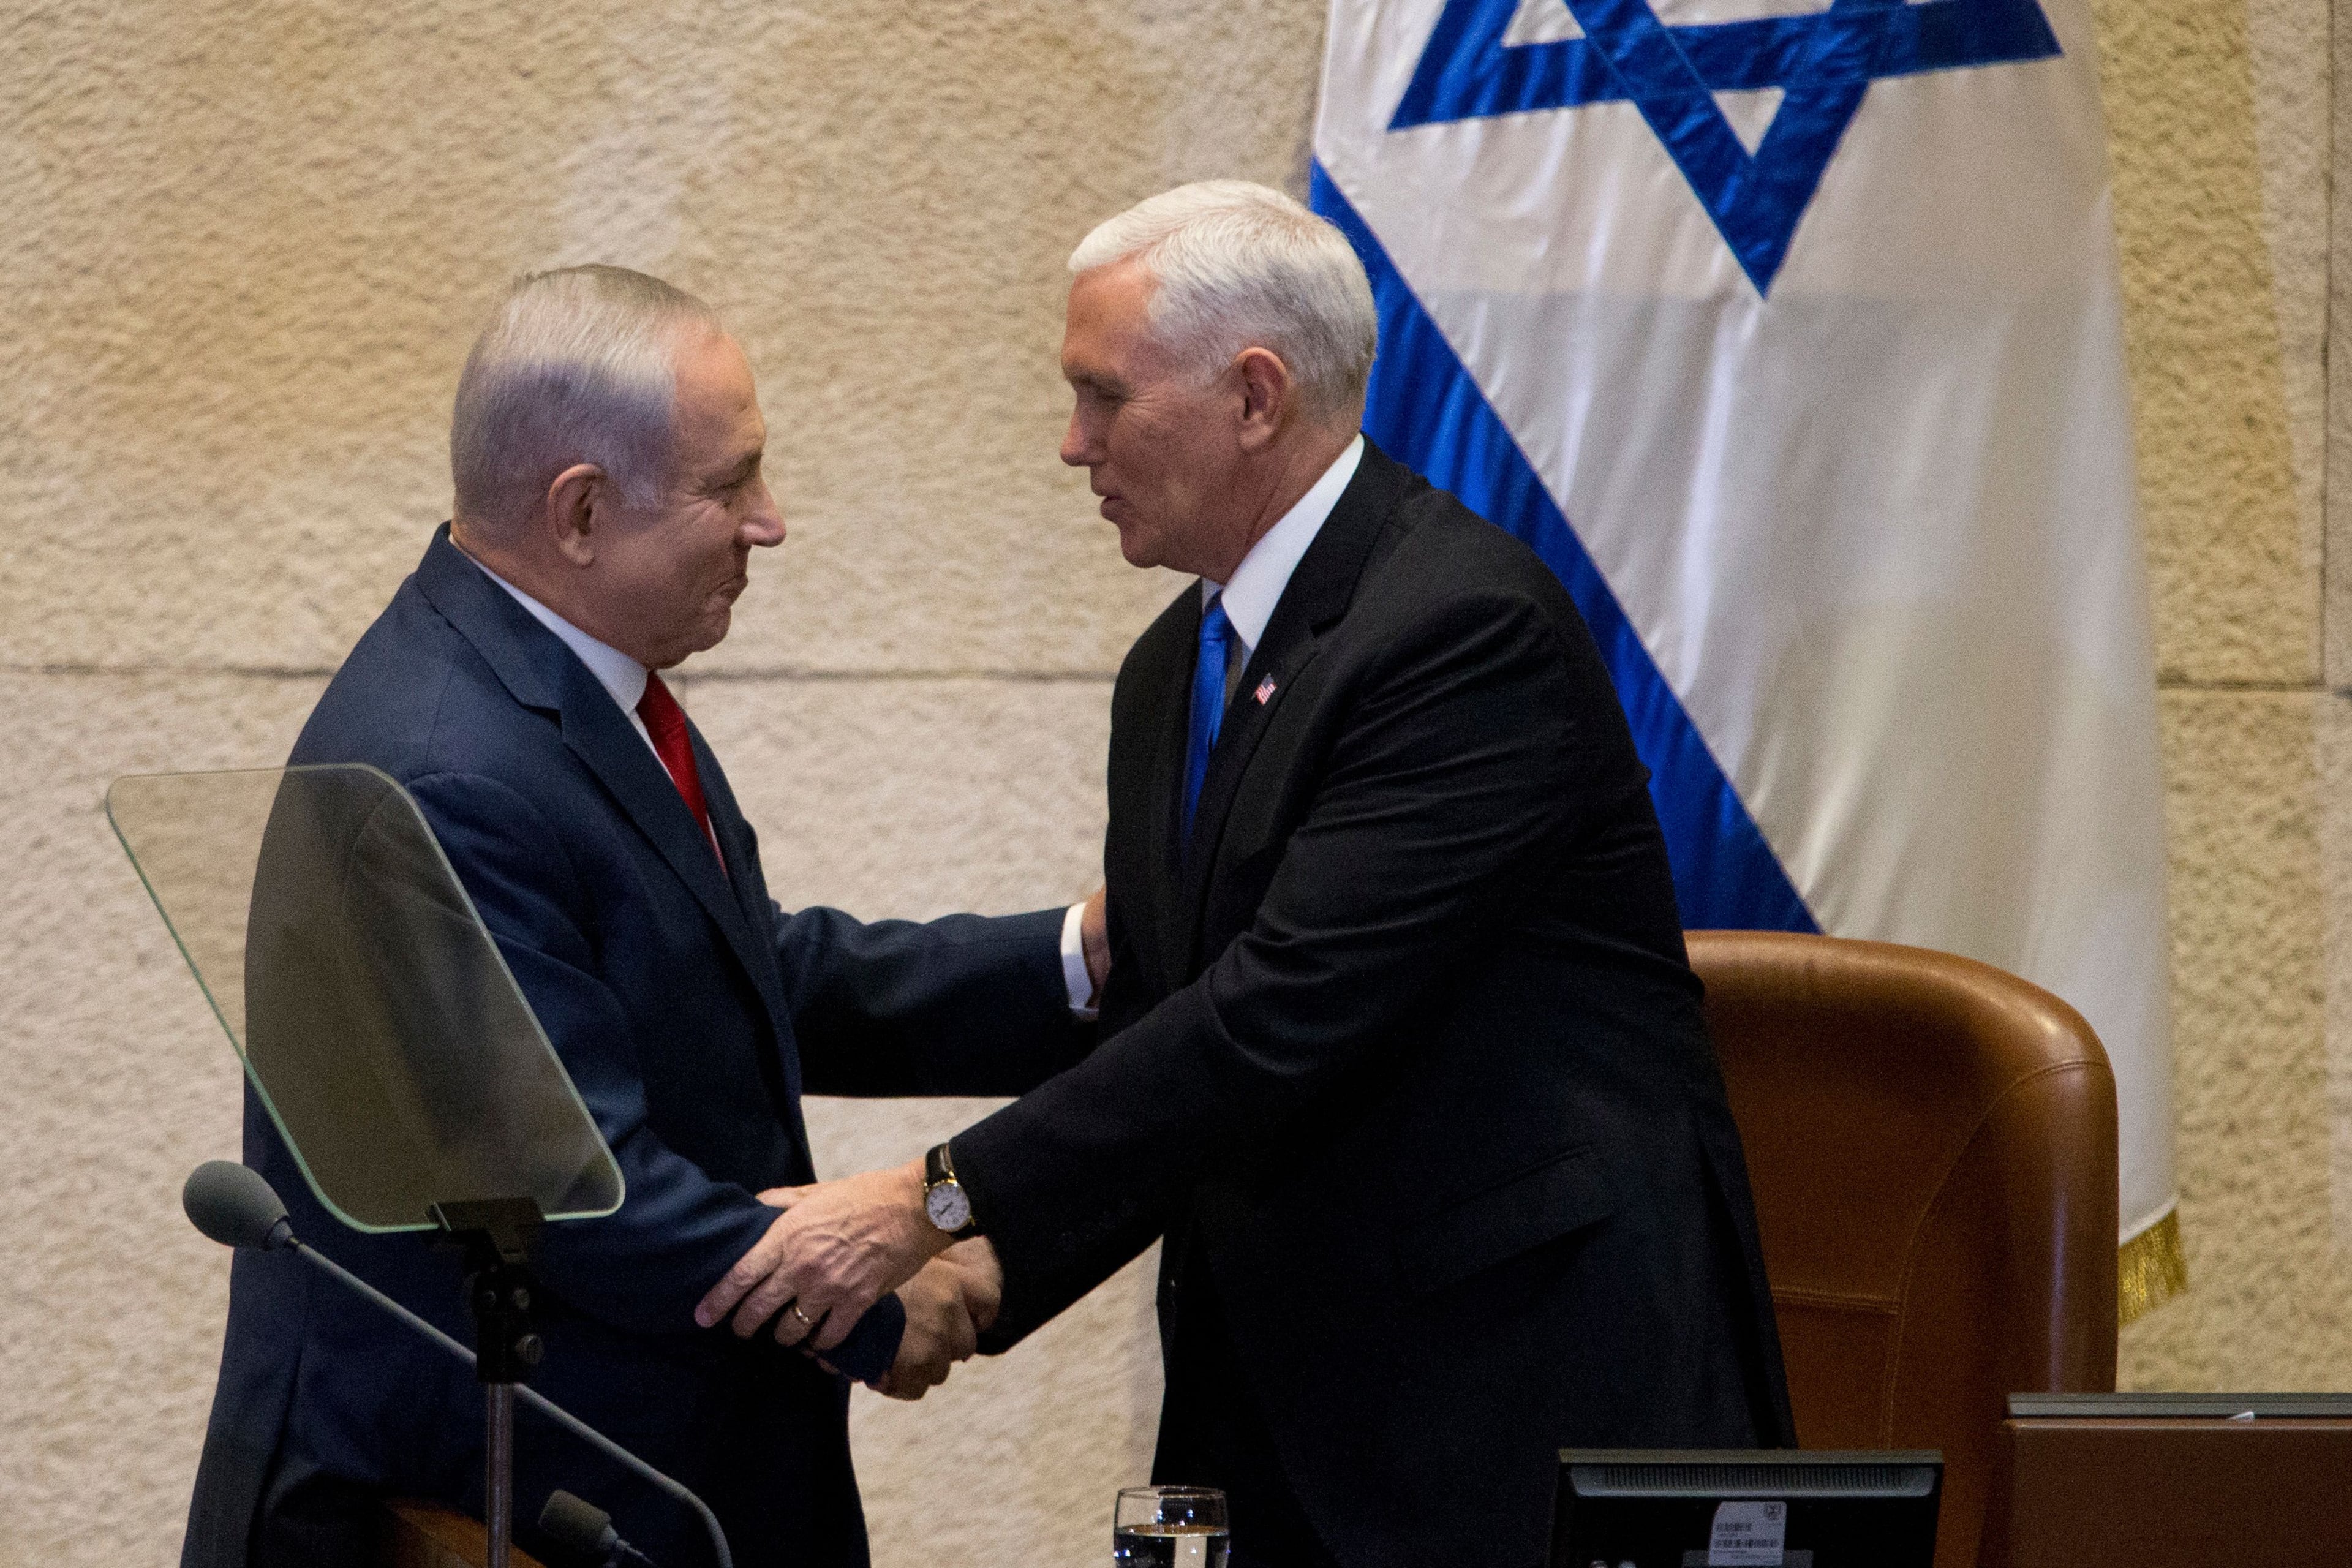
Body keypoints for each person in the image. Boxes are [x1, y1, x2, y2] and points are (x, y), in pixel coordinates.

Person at [700, 184, 1796, 1568]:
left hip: (1508, 1417)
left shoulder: (1462, 632)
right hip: (1284, 1406)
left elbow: (1274, 1016)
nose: (1071, 444)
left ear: (1256, 396)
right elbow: (1174, 1011)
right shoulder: (1175, 669)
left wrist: (926, 1201)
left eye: (1103, 397)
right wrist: (989, 1270)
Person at [181, 265, 1106, 1568]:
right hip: (493, 1501)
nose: (769, 523)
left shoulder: (565, 682)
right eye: (731, 484)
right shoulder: (449, 763)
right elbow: (568, 1183)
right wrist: (866, 1296)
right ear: (580, 512)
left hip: (634, 1475)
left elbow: (738, 975)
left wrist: (1077, 959)